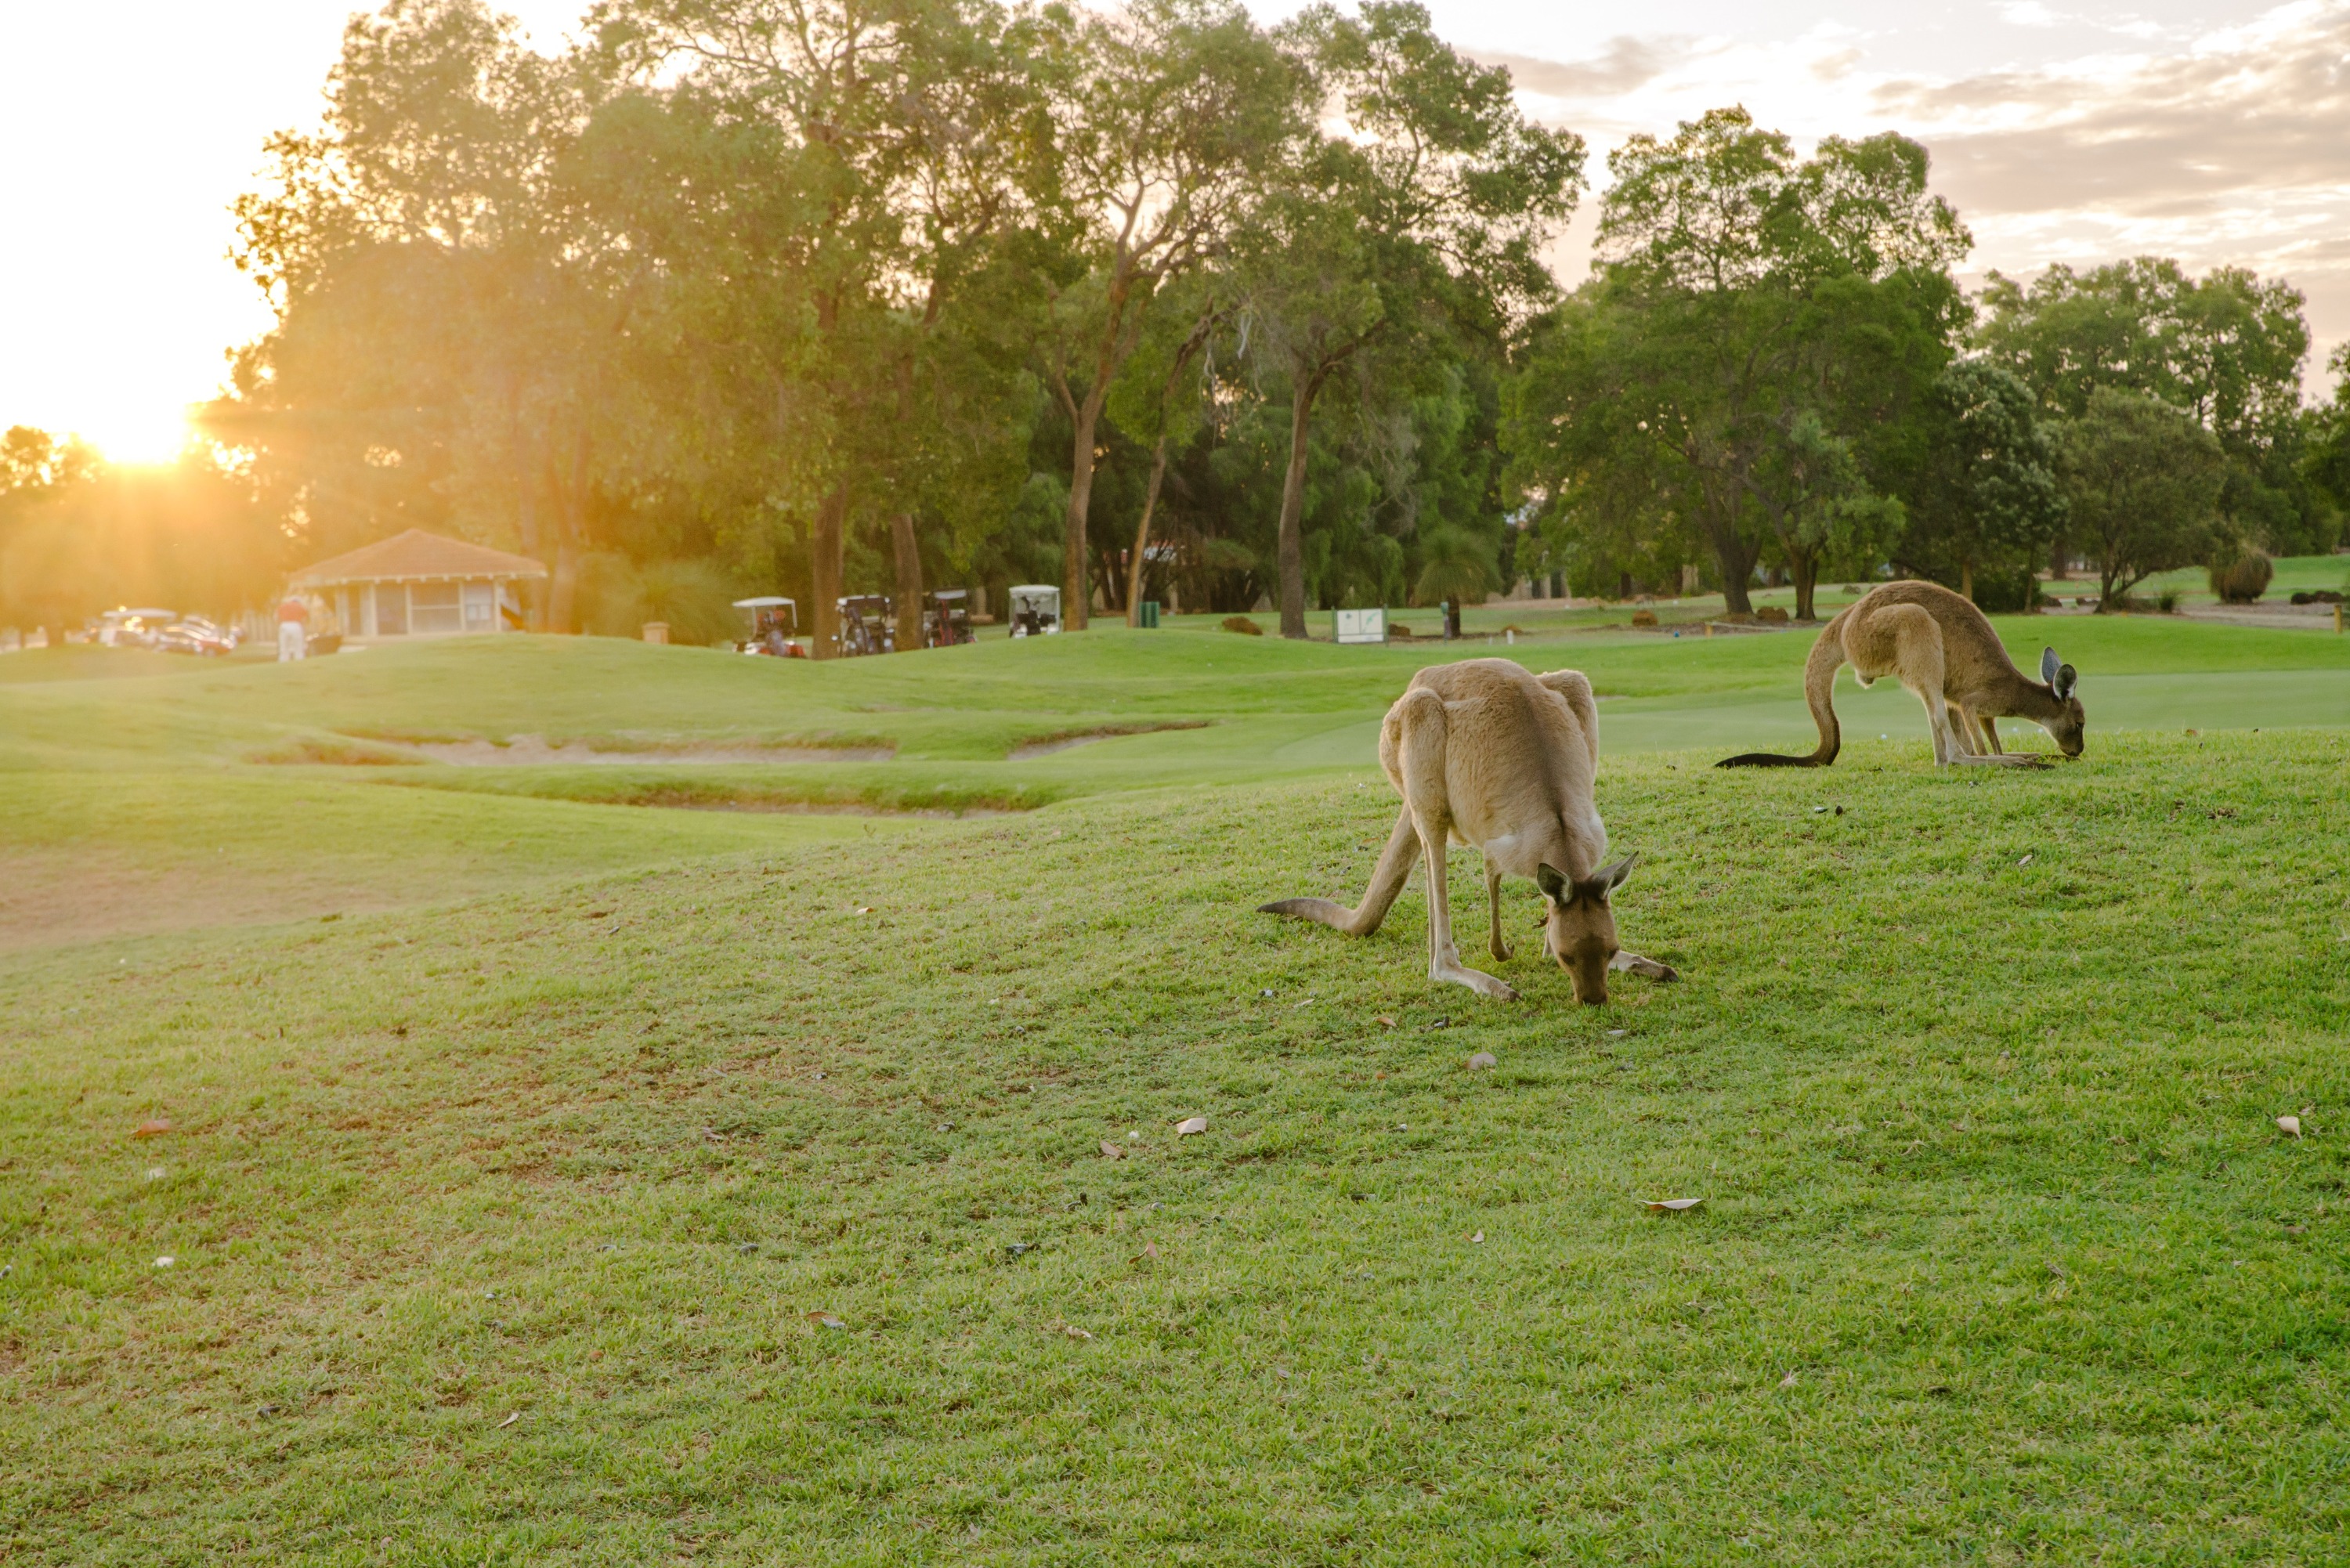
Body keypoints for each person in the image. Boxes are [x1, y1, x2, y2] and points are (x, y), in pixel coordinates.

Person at [277, 596, 309, 661]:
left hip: (284, 625)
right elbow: (305, 618)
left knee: (284, 647)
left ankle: (283, 662)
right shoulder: (300, 606)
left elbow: (276, 617)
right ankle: (299, 660)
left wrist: (280, 625)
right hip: (296, 625)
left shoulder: (283, 606)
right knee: (298, 646)